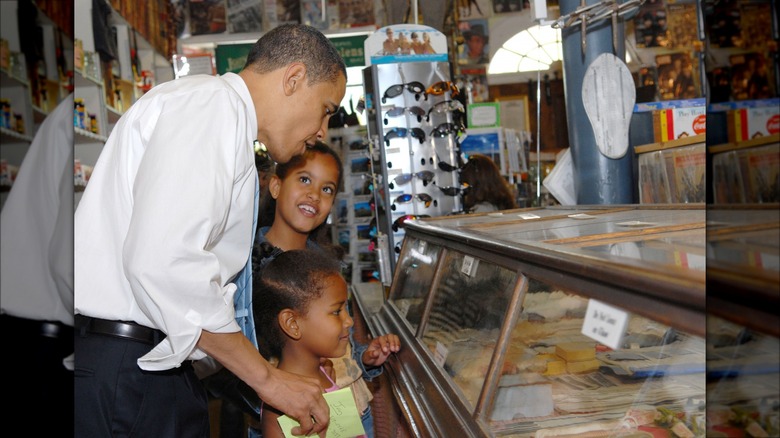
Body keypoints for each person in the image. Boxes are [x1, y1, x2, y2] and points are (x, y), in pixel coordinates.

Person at [73, 23, 347, 438]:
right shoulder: (210, 106)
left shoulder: (225, 120)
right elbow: (166, 261)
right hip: (131, 368)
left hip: (151, 367)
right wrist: (267, 379)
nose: (322, 130)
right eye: (326, 108)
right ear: (294, 79)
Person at [248, 141, 398, 437]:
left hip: (351, 413)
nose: (314, 195)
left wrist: (363, 357)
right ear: (276, 186)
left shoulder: (328, 265)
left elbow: (340, 338)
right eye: (304, 179)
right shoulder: (247, 268)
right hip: (291, 421)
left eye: (327, 189)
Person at [253, 249, 400, 438]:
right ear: (292, 324)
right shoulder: (283, 405)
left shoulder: (324, 370)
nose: (349, 321)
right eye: (337, 312)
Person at [1, 94, 74, 435]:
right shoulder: (75, 114)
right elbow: (66, 261)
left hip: (29, 333)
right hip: (45, 340)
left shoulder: (67, 111)